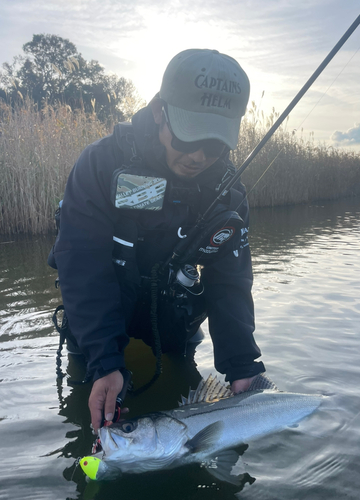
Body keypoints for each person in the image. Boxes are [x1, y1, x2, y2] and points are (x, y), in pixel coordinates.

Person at [48, 49, 265, 432]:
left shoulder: (229, 190)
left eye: (214, 144)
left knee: (183, 386)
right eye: (189, 135)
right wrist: (105, 363)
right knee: (90, 400)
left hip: (172, 317)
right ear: (157, 113)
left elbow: (230, 283)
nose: (199, 156)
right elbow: (81, 266)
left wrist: (243, 366)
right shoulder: (100, 165)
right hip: (101, 309)